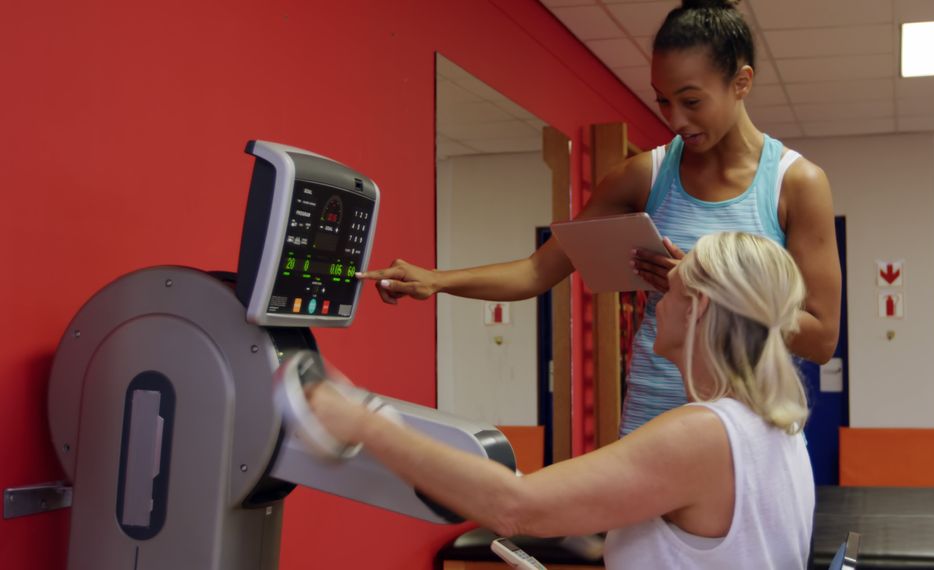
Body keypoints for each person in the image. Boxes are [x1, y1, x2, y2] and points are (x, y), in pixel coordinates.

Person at [364, 0, 841, 435]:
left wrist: (704, 288)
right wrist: (435, 280)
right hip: (653, 417)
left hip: (748, 421)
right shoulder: (643, 176)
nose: (675, 119)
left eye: (691, 101)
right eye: (662, 99)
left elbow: (820, 339)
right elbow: (537, 270)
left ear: (741, 83)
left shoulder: (796, 184)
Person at [309, 232, 815, 569]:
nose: (657, 307)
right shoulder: (773, 425)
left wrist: (364, 422)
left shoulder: (703, 432)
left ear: (698, 308)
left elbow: (513, 506)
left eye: (671, 292)